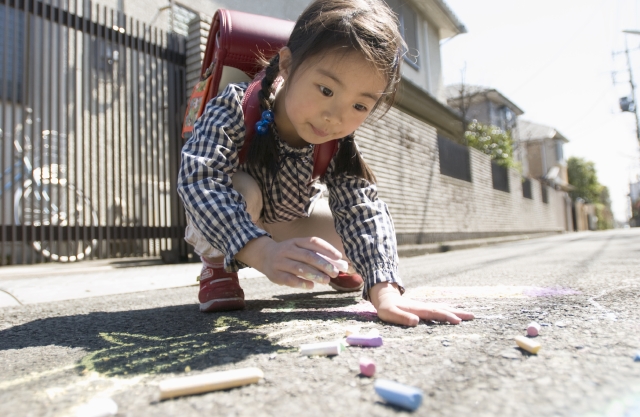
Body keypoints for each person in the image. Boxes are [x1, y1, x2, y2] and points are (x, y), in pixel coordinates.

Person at [177, 0, 474, 326]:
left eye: (360, 106)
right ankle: (217, 265)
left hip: (289, 216)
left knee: (353, 239)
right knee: (243, 189)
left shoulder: (336, 140)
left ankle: (331, 265)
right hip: (238, 212)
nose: (336, 117)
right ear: (287, 65)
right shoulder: (236, 105)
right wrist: (262, 252)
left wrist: (386, 290)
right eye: (325, 90)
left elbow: (363, 209)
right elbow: (198, 177)